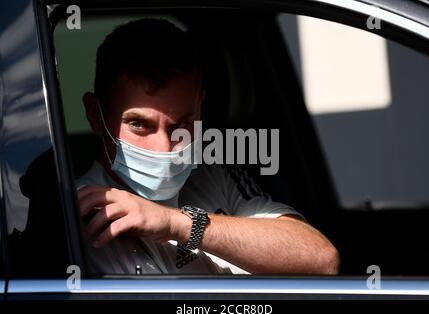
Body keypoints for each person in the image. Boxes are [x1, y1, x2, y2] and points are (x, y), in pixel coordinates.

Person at [76, 18, 339, 275]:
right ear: (95, 115)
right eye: (139, 124)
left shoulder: (210, 174)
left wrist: (177, 223)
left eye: (182, 124)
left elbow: (321, 259)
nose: (165, 147)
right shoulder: (74, 214)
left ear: (200, 107)